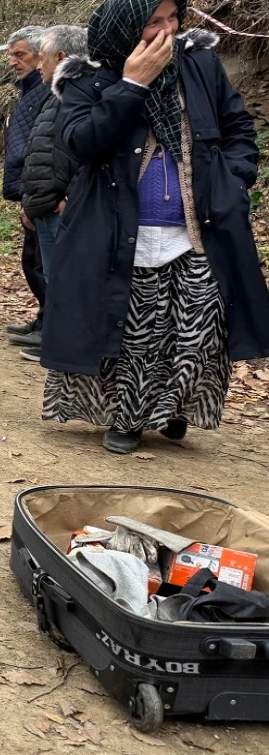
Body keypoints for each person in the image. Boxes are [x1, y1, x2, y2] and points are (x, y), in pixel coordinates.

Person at [42, 0, 269, 455]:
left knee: (197, 330)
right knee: (137, 333)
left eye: (174, 18)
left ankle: (170, 410)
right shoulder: (89, 78)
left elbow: (239, 128)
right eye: (154, 23)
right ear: (127, 28)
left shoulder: (200, 65)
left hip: (202, 226)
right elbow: (81, 144)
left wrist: (235, 179)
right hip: (121, 229)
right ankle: (128, 419)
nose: (169, 30)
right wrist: (132, 85)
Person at [17, 25, 88, 362]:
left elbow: (86, 152)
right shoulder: (55, 94)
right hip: (43, 204)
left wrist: (70, 197)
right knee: (54, 278)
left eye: (41, 58)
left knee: (69, 281)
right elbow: (42, 152)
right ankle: (55, 341)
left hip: (62, 207)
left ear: (61, 57)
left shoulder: (83, 95)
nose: (39, 65)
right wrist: (30, 202)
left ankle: (69, 348)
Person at [2, 26, 51, 352]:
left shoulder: (48, 91)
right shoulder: (30, 91)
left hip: (41, 193)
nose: (12, 62)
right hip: (29, 190)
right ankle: (46, 319)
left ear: (41, 54)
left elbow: (43, 149)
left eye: (19, 55)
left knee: (41, 264)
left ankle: (53, 330)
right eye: (11, 55)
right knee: (34, 261)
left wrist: (32, 195)